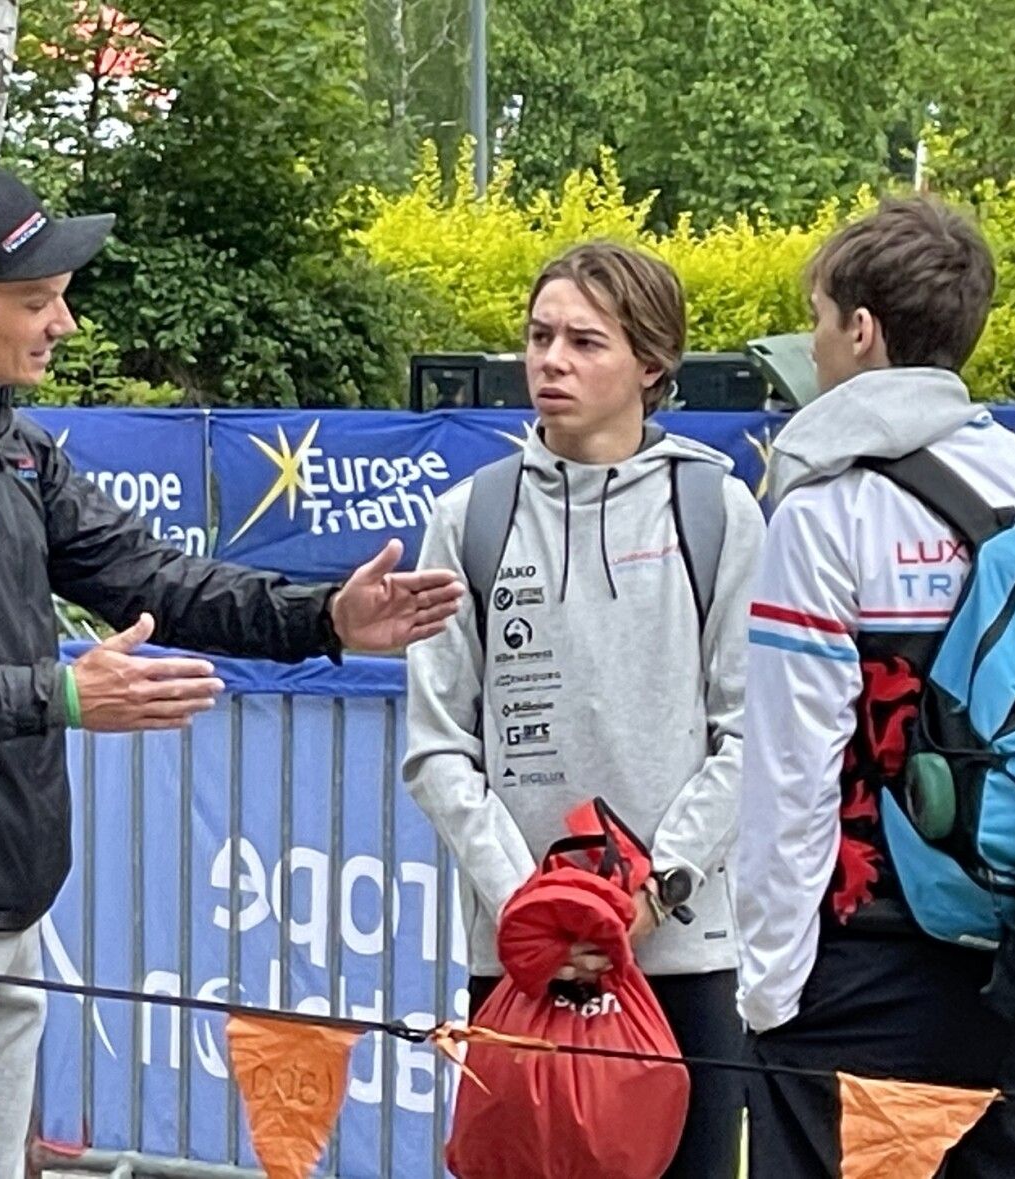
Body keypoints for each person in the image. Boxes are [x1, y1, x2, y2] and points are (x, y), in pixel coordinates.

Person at [0, 165, 464, 1179]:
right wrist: (59, 694)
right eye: (36, 301)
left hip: (1, 904)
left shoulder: (8, 437)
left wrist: (324, 618)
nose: (65, 323)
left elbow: (152, 577)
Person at [736, 195, 1015, 1176]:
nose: (814, 347)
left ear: (862, 331)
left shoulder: (826, 512)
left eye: (820, 320)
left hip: (864, 954)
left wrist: (769, 992)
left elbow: (791, 774)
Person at [405, 241, 764, 1178]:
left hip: (679, 959)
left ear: (651, 363)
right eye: (539, 336)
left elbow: (750, 737)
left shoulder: (718, 511)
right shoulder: (468, 517)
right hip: (521, 961)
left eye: (584, 341)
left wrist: (653, 893)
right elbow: (438, 746)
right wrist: (532, 905)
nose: (550, 361)